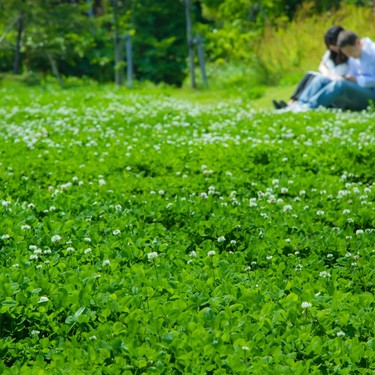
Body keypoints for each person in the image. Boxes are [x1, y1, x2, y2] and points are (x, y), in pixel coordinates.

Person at [273, 25, 349, 109]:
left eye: (333, 44)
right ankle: (292, 102)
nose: (332, 47)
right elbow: (322, 64)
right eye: (330, 45)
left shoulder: (348, 54)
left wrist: (330, 76)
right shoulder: (331, 54)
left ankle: (297, 105)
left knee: (316, 79)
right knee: (309, 75)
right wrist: (327, 73)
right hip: (328, 77)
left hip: (335, 83)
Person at [296, 30, 375, 110]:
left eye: (350, 52)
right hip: (359, 90)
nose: (349, 56)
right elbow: (352, 74)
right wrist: (347, 77)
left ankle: (309, 107)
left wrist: (357, 79)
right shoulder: (353, 56)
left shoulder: (373, 51)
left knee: (340, 84)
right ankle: (300, 104)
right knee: (321, 79)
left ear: (358, 42)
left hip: (372, 94)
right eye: (346, 53)